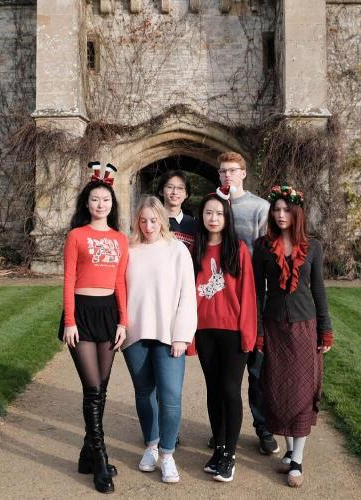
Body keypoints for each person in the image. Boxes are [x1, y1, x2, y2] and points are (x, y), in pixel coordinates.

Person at [252, 185, 334, 488]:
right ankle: (288, 450)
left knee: (301, 390)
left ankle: (297, 459)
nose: (281, 214)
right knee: (276, 389)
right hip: (274, 326)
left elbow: (319, 290)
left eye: (286, 209)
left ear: (297, 212)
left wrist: (325, 328)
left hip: (304, 326)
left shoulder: (312, 247)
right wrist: (259, 331)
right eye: (276, 210)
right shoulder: (263, 246)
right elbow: (257, 293)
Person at [59, 161, 128, 494]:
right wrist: (70, 321)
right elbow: (69, 279)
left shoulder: (120, 239)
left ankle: (87, 454)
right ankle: (99, 457)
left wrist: (124, 322)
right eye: (95, 199)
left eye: (106, 200)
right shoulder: (76, 235)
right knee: (93, 389)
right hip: (82, 314)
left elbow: (121, 283)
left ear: (112, 205)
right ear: (86, 203)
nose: (101, 205)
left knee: (102, 388)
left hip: (108, 314)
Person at [123, 196, 197, 484]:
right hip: (135, 334)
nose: (148, 226)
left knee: (170, 397)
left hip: (169, 336)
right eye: (143, 220)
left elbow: (187, 297)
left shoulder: (177, 250)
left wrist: (182, 336)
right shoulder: (129, 250)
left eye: (153, 220)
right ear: (137, 221)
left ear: (162, 220)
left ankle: (167, 454)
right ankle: (151, 447)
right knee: (144, 394)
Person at [193, 187, 257, 482]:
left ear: (227, 217)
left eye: (219, 213)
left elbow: (248, 296)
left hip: (232, 332)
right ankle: (218, 448)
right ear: (201, 217)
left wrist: (248, 336)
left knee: (230, 390)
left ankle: (230, 455)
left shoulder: (238, 250)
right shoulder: (195, 250)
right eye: (208, 212)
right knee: (213, 391)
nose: (213, 218)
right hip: (205, 331)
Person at [216, 151, 279, 455]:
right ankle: (223, 431)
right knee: (226, 371)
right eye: (223, 171)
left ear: (243, 173)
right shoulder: (215, 205)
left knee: (257, 369)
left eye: (232, 170)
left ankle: (263, 428)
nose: (227, 175)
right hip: (224, 298)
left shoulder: (259, 208)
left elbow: (266, 254)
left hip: (255, 296)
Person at [156, 169, 198, 248]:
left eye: (180, 188)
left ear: (186, 194)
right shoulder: (152, 221)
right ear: (161, 191)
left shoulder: (194, 225)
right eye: (170, 187)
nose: (175, 192)